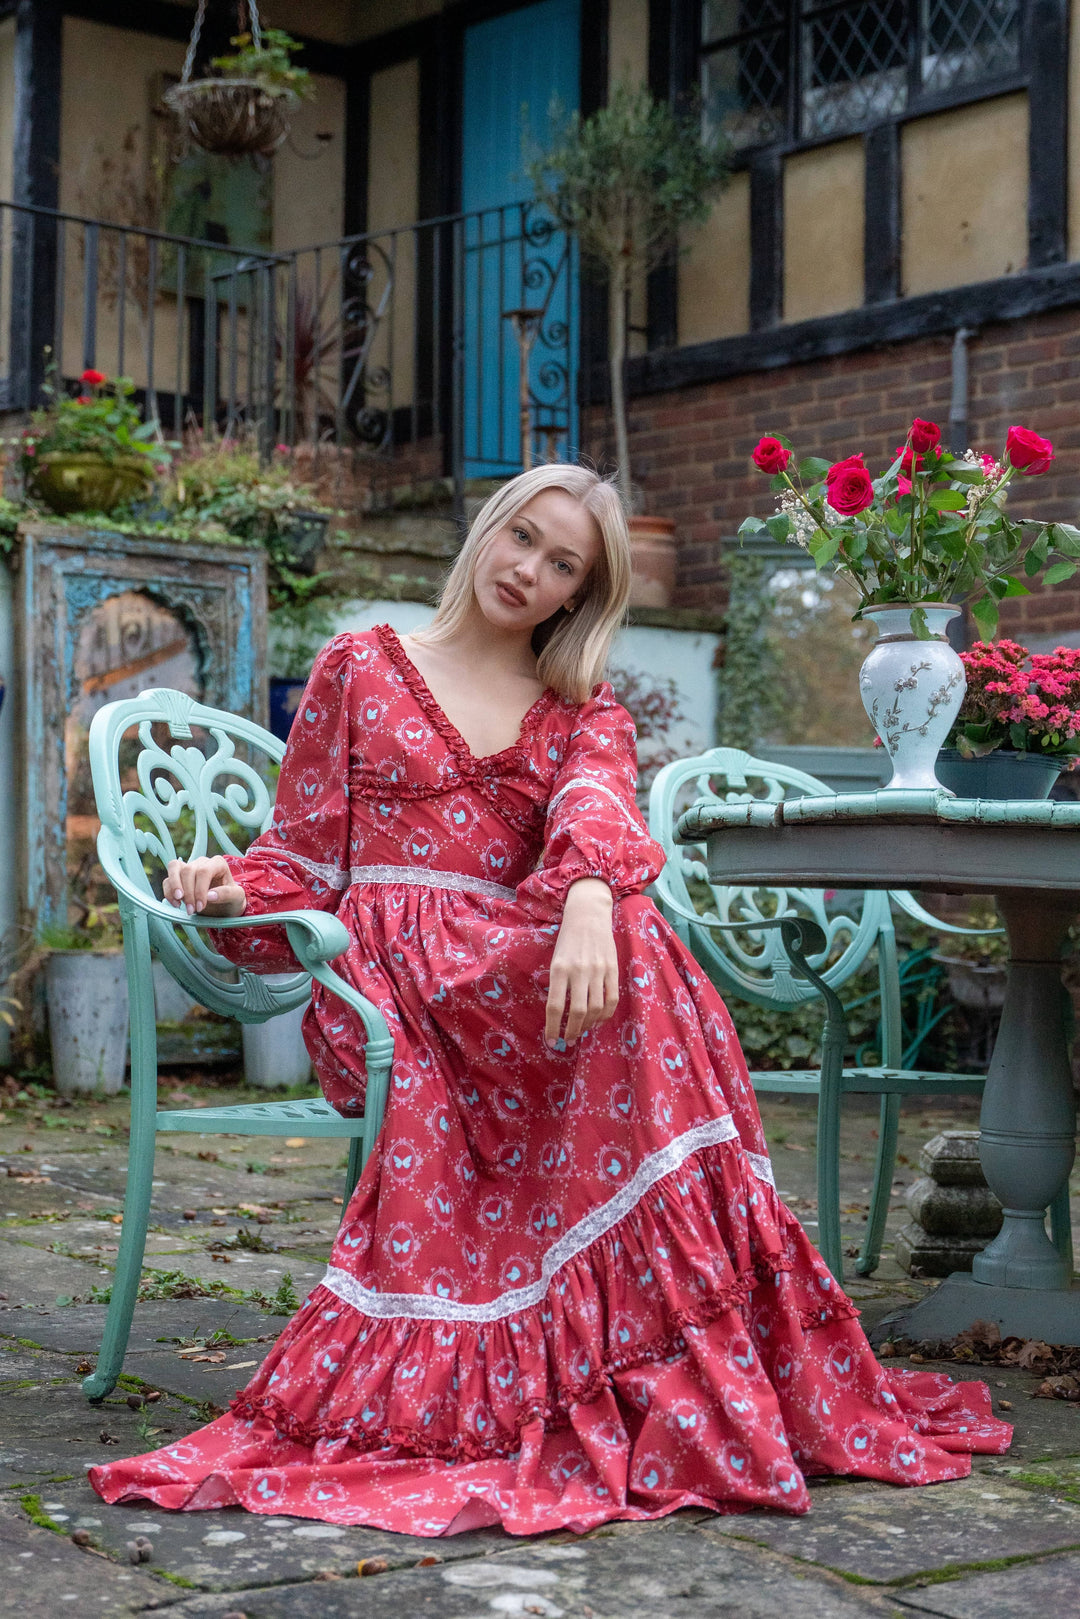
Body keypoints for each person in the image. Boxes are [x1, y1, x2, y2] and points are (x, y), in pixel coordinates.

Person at [90, 463, 1008, 1535]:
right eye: (522, 537)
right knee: (632, 947)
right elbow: (301, 855)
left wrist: (583, 898)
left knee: (632, 937)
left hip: (528, 969)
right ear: (489, 529)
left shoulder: (582, 708)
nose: (529, 568)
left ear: (581, 593)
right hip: (391, 978)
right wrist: (229, 879)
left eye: (562, 562)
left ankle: (665, 1351)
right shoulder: (362, 662)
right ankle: (630, 1345)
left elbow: (598, 809)